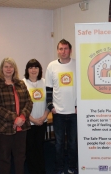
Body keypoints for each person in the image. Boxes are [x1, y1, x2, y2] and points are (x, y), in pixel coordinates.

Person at [0, 57, 33, 174]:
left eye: (11, 66)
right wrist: (15, 118)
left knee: (20, 157)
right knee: (4, 158)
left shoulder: (21, 84)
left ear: (14, 69)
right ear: (1, 69)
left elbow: (29, 102)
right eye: (6, 66)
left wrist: (22, 117)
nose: (9, 69)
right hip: (3, 128)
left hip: (21, 127)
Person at [45, 39, 77, 174]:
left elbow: (82, 87)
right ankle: (59, 168)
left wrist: (78, 105)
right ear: (57, 51)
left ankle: (72, 167)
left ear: (70, 50)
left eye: (66, 48)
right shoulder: (51, 66)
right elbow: (48, 89)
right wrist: (51, 106)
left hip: (74, 112)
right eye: (60, 49)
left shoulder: (77, 64)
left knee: (73, 143)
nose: (63, 51)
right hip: (58, 112)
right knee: (58, 144)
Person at [23, 59, 49, 174]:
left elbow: (49, 100)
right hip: (29, 122)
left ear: (39, 70)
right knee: (30, 148)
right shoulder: (22, 83)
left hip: (42, 121)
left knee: (40, 147)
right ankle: (33, 171)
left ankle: (41, 170)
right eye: (31, 67)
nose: (33, 70)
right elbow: (21, 105)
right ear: (27, 70)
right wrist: (32, 119)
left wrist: (44, 117)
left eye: (36, 67)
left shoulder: (45, 82)